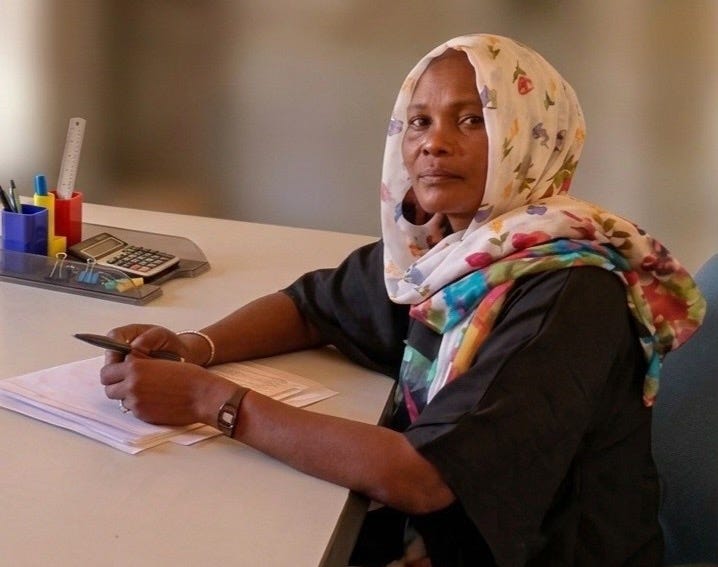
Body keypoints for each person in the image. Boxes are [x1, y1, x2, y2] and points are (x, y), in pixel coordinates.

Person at [99, 34, 705, 566]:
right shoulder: (453, 248)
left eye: (472, 120)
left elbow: (423, 477)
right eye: (419, 121)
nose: (434, 143)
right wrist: (195, 347)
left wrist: (210, 400)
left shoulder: (566, 290)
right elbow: (314, 307)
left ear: (531, 140)